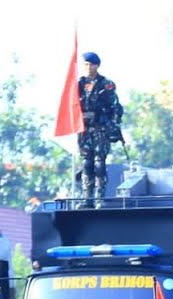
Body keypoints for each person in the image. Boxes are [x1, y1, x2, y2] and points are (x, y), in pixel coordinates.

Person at [77, 52, 123, 208]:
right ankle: (86, 198)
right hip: (84, 129)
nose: (88, 68)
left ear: (97, 66)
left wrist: (114, 127)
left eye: (91, 64)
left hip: (100, 128)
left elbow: (116, 108)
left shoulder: (105, 84)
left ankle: (99, 198)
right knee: (86, 163)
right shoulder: (78, 85)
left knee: (99, 164)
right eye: (85, 65)